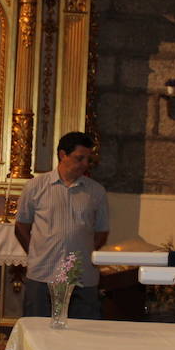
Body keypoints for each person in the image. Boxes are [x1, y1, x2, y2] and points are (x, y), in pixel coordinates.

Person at [14, 131, 109, 321]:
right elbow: (21, 227)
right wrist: (37, 252)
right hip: (43, 273)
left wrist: (80, 252)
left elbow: (101, 232)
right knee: (37, 330)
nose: (84, 164)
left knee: (82, 333)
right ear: (62, 155)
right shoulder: (35, 186)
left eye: (87, 159)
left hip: (82, 277)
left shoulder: (96, 191)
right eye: (79, 158)